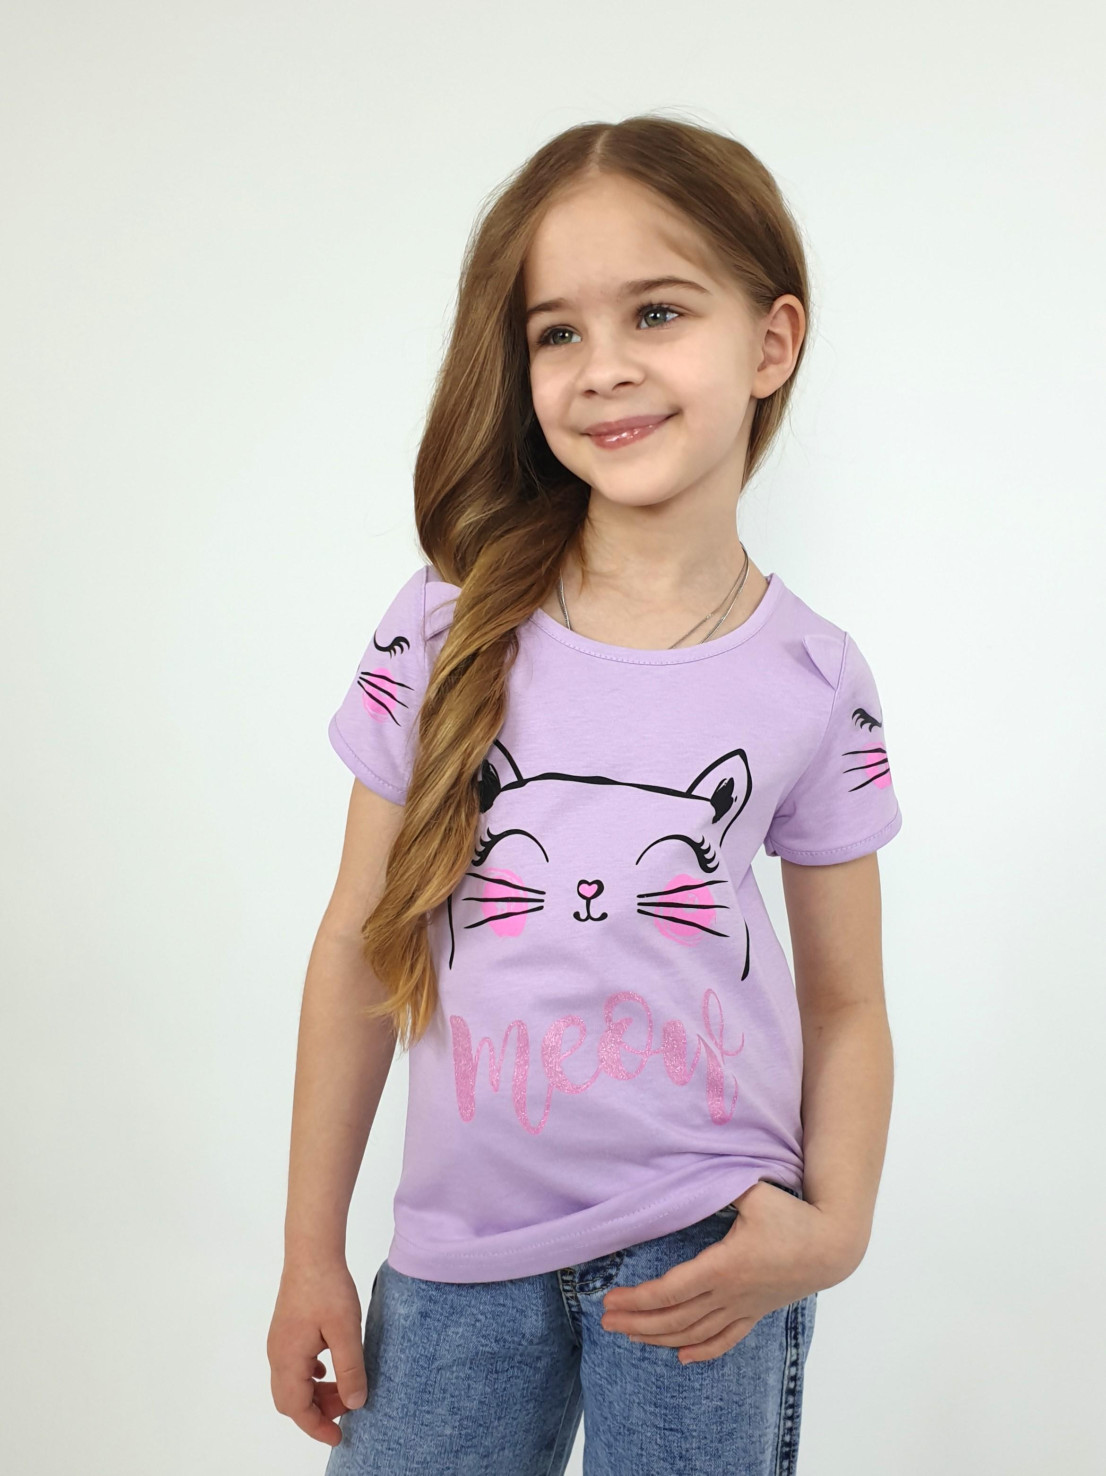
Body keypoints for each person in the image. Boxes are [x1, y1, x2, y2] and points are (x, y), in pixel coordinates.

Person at [267, 113, 903, 1475]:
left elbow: (847, 999)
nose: (603, 366)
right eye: (557, 331)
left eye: (656, 312)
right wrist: (311, 1248)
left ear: (771, 343)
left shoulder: (815, 675)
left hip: (710, 1253)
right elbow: (358, 944)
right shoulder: (441, 625)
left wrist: (835, 1229)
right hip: (455, 1259)